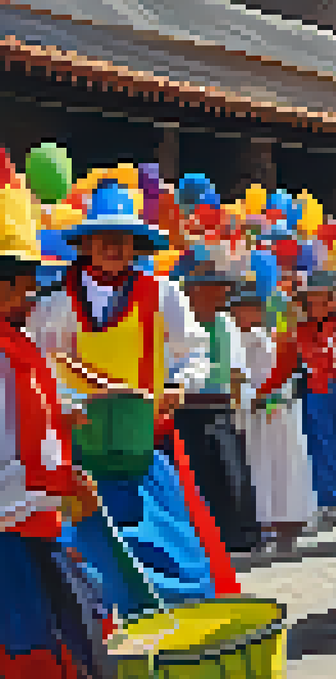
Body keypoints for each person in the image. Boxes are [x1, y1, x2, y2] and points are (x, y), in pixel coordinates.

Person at [29, 181, 240, 613]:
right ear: (84, 244)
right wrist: (68, 403)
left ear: (136, 245)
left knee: (168, 552)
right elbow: (36, 364)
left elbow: (195, 351)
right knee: (85, 560)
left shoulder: (161, 292)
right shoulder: (54, 301)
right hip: (80, 452)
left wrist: (180, 386)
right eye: (104, 239)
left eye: (123, 240)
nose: (113, 248)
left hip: (144, 447)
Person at [0, 193, 126, 679]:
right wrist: (53, 485)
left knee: (60, 630)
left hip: (35, 516)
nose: (30, 296)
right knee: (35, 649)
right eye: (21, 284)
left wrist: (67, 420)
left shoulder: (18, 348)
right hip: (13, 525)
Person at [260, 272, 336, 524]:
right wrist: (262, 392)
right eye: (310, 300)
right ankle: (332, 503)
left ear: (332, 299)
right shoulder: (298, 329)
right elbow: (283, 367)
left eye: (321, 299)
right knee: (321, 447)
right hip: (315, 394)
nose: (315, 305)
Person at [175, 267, 262, 553]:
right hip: (185, 409)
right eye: (217, 286)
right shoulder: (179, 321)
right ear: (196, 289)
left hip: (219, 408)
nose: (224, 293)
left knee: (231, 471)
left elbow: (235, 370)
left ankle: (240, 536)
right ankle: (207, 539)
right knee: (197, 475)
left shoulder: (225, 323)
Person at [228, 286, 316, 553]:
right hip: (248, 416)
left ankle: (286, 524)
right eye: (245, 308)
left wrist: (262, 398)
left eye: (256, 307)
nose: (251, 314)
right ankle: (261, 525)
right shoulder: (229, 339)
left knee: (283, 468)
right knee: (256, 469)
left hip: (275, 415)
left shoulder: (271, 341)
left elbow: (284, 379)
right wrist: (248, 399)